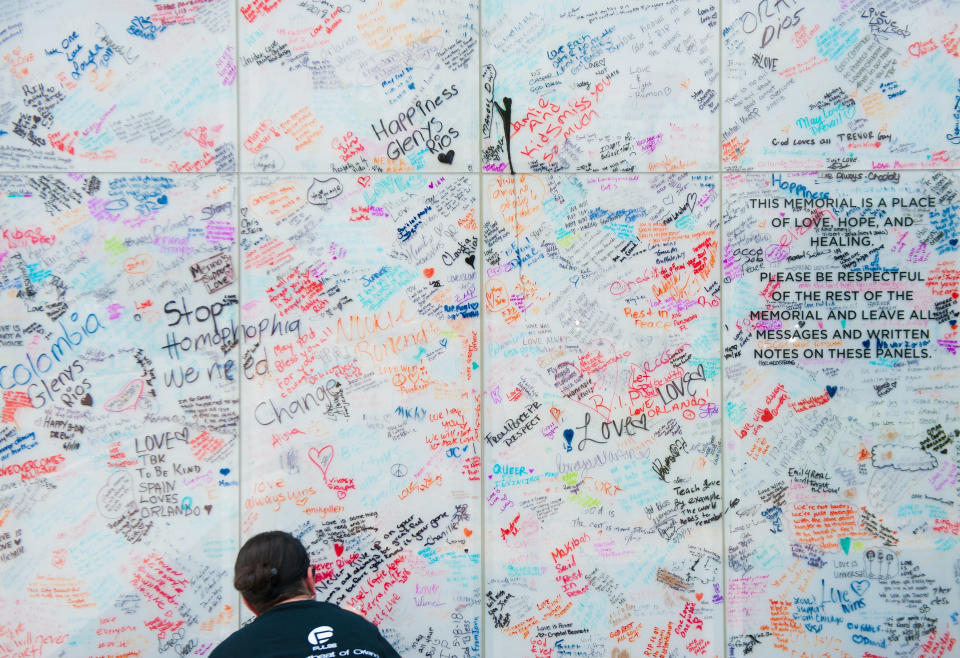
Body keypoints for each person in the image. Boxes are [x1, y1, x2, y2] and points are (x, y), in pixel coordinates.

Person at [210, 530, 402, 658]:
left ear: (247, 601)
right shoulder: (360, 630)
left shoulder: (229, 652)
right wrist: (356, 628)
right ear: (310, 579)